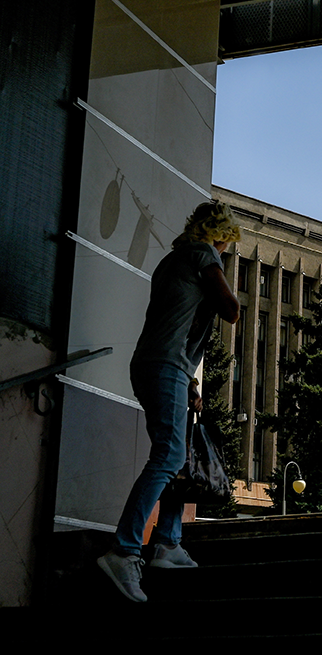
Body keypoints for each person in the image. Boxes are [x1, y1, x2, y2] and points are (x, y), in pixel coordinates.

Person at [97, 201, 241, 602]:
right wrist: (223, 282)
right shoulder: (204, 254)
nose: (227, 251)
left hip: (157, 364)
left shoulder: (170, 262)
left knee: (176, 456)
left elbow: (174, 320)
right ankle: (125, 550)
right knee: (168, 456)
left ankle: (167, 542)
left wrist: (190, 385)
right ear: (221, 235)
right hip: (165, 366)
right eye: (229, 243)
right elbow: (230, 310)